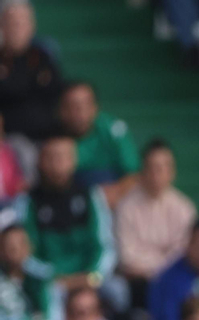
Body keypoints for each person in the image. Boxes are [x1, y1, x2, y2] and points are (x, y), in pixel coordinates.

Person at [15, 136, 118, 289]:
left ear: (74, 160)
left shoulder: (91, 196)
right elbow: (22, 254)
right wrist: (54, 278)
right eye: (51, 157)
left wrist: (94, 275)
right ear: (40, 161)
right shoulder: (27, 201)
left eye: (63, 157)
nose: (57, 164)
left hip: (89, 278)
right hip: (47, 282)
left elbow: (106, 245)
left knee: (117, 289)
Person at [114, 140, 199, 309]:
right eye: (151, 167)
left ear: (172, 172)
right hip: (136, 282)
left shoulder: (184, 208)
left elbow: (183, 254)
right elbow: (127, 256)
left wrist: (150, 263)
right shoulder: (125, 207)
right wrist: (162, 257)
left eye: (162, 168)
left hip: (174, 279)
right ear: (142, 171)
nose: (156, 174)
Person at [57, 81, 139, 197]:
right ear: (61, 110)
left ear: (95, 107)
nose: (79, 112)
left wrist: (112, 195)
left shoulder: (113, 130)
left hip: (111, 195)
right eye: (72, 106)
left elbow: (134, 175)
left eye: (84, 105)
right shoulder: (52, 136)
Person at [0, 224, 62, 320]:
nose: (15, 250)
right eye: (9, 245)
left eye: (20, 243)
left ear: (29, 246)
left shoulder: (42, 277)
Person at [0, 1, 62, 141]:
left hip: (46, 134)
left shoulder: (45, 57)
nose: (17, 29)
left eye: (23, 23)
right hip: (10, 137)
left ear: (32, 26)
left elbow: (56, 93)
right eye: (12, 23)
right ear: (2, 26)